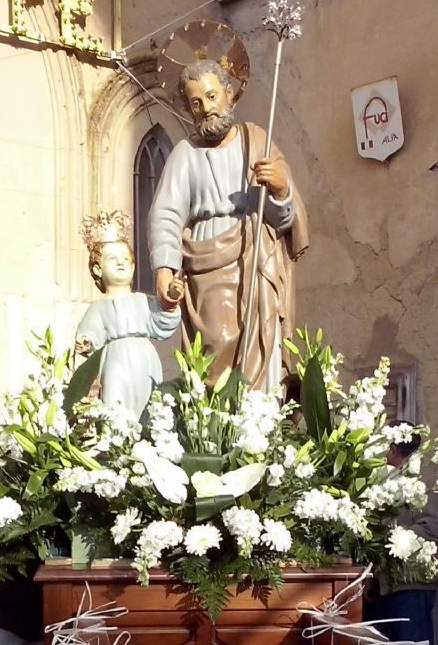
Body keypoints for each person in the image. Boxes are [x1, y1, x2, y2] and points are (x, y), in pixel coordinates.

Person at [148, 58, 309, 392]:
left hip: (255, 259)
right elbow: (166, 213)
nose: (205, 108)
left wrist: (281, 189)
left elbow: (284, 221)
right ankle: (216, 434)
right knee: (214, 349)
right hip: (206, 265)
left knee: (262, 345)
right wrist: (165, 268)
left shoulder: (257, 142)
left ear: (229, 94)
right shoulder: (185, 154)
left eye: (211, 96)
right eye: (195, 102)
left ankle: (259, 426)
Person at [74, 210, 182, 419]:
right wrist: (87, 342)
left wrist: (171, 300)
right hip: (115, 360)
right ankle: (118, 444)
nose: (121, 263)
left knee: (151, 407)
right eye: (113, 259)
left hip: (146, 360)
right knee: (116, 405)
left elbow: (163, 323)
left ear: (133, 266)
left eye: (125, 258)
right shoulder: (98, 308)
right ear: (97, 269)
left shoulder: (142, 300)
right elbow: (89, 336)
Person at [367, 437, 438, 645]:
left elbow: (433, 528)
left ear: (393, 449)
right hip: (385, 586)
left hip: (412, 587)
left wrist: (387, 539)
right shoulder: (387, 480)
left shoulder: (429, 482)